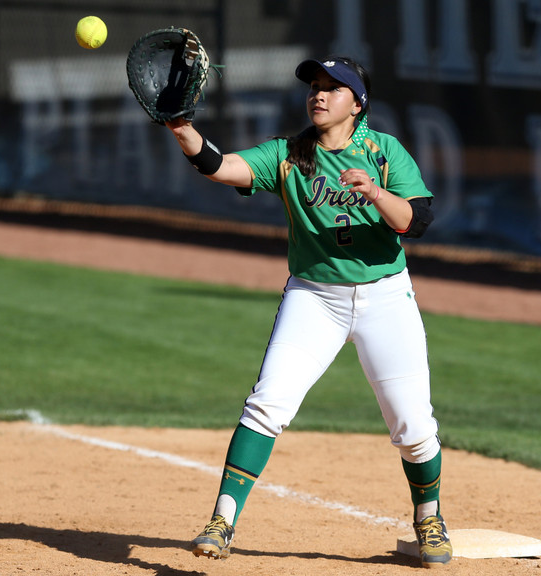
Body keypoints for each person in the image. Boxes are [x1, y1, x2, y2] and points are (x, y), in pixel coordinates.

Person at [164, 55, 452, 568]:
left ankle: (429, 517)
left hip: (385, 297)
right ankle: (222, 520)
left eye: (332, 88)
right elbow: (220, 166)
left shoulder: (385, 152)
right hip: (314, 298)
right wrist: (182, 127)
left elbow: (417, 220)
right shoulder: (289, 154)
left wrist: (376, 192)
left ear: (357, 103)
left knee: (412, 425)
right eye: (314, 87)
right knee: (267, 402)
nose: (318, 95)